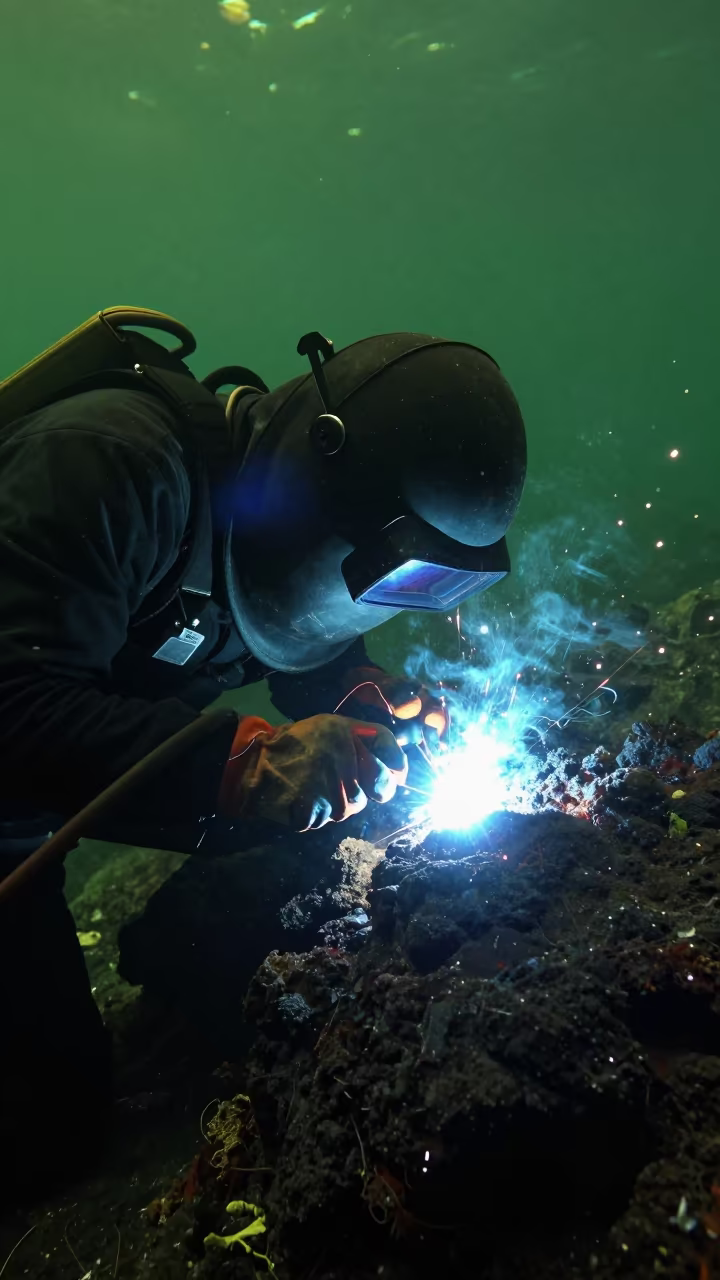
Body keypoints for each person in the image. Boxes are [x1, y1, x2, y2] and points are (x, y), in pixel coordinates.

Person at [0, 308, 526, 1193]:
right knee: (46, 1135)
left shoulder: (270, 520)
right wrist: (239, 765)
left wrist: (357, 692)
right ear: (319, 489)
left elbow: (295, 637)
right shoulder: (107, 465)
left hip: (43, 782)